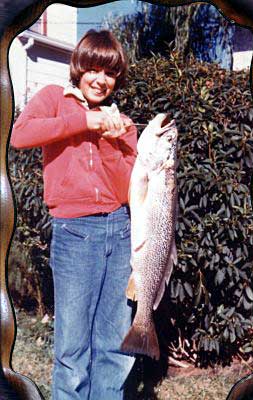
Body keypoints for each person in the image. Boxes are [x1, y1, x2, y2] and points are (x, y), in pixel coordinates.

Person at [11, 30, 137, 400]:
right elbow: (21, 134)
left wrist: (113, 142)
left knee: (114, 343)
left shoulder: (122, 123)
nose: (101, 80)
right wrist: (85, 122)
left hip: (119, 229)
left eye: (110, 73)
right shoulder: (54, 98)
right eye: (94, 69)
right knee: (72, 347)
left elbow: (125, 190)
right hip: (75, 233)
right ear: (79, 68)